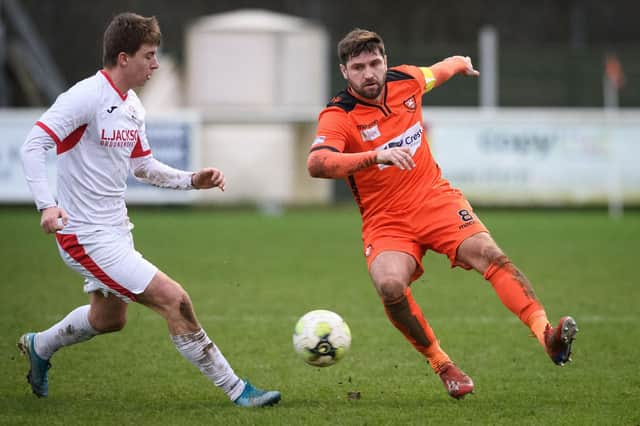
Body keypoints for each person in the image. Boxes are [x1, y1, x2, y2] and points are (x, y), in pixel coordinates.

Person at [18, 12, 280, 408]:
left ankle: (40, 346)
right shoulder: (85, 96)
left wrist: (193, 179)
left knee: (109, 318)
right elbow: (34, 144)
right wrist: (47, 205)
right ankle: (238, 390)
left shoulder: (132, 105)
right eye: (150, 56)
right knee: (175, 300)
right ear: (123, 58)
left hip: (116, 229)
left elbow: (142, 167)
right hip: (83, 234)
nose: (156, 64)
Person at [307, 28, 578, 399]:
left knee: (490, 254)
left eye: (374, 63)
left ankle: (546, 334)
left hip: (436, 200)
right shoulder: (340, 114)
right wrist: (375, 156)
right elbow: (318, 163)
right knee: (389, 286)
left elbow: (439, 71)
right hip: (386, 221)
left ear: (385, 61)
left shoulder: (407, 81)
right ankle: (442, 364)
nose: (368, 74)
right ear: (344, 72)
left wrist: (460, 62)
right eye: (358, 67)